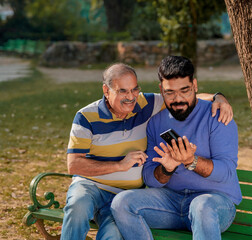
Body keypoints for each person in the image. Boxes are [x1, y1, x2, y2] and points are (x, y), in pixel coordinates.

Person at [61, 62, 234, 239]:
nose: (130, 97)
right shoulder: (86, 116)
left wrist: (217, 98)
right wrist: (120, 165)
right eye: (123, 91)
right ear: (106, 90)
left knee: (112, 235)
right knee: (78, 207)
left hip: (124, 194)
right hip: (92, 186)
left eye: (134, 90)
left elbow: (182, 97)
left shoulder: (147, 104)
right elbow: (74, 165)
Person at [111, 56, 242, 240]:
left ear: (195, 86)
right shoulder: (156, 123)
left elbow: (226, 172)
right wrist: (167, 168)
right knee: (121, 203)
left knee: (201, 206)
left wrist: (191, 161)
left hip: (214, 203)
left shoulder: (217, 116)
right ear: (161, 90)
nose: (178, 99)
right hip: (171, 202)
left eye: (184, 91)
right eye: (170, 92)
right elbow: (150, 178)